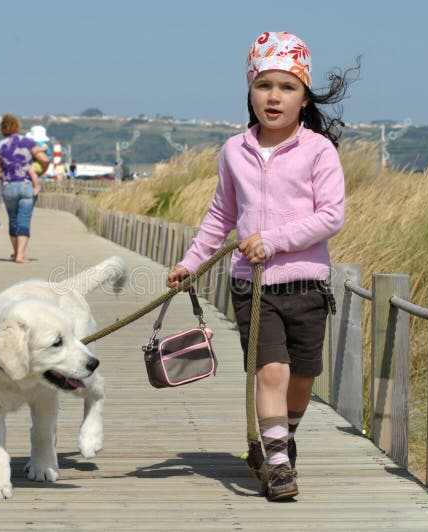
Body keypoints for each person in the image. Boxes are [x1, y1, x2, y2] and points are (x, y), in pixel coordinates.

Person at [166, 32, 357, 502]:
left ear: (304, 96)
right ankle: (277, 466)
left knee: (303, 377)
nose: (274, 96)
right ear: (250, 91)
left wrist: (272, 240)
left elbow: (331, 215)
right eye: (264, 85)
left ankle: (281, 439)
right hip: (252, 286)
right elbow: (220, 215)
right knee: (271, 371)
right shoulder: (234, 151)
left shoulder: (319, 151)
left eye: (287, 87)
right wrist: (190, 263)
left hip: (308, 285)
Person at [0, 113, 48, 263]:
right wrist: (41, 170)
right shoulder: (28, 142)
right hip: (27, 185)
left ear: (2, 129)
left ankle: (16, 253)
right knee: (24, 219)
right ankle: (20, 255)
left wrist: (5, 172)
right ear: (17, 126)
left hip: (8, 187)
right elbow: (45, 159)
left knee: (13, 220)